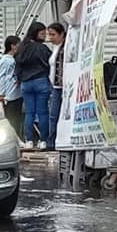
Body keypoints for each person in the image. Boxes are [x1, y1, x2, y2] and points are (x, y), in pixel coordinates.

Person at [15, 22, 52, 151]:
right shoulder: (42, 48)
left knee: (29, 113)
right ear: (36, 33)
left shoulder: (22, 48)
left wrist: (19, 79)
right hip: (41, 81)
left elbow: (17, 66)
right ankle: (43, 140)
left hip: (26, 84)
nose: (44, 36)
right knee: (42, 112)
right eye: (42, 33)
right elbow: (49, 63)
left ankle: (29, 140)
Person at [0, 35, 23, 138]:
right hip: (10, 93)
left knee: (17, 116)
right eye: (18, 45)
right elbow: (1, 76)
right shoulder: (6, 60)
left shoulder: (14, 59)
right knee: (12, 117)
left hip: (16, 92)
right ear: (12, 46)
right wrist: (1, 93)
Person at [47, 22, 66, 150]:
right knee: (53, 115)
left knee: (56, 114)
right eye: (49, 34)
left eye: (53, 34)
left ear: (61, 34)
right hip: (54, 86)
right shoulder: (55, 48)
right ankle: (52, 141)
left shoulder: (65, 48)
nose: (50, 37)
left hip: (62, 86)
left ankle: (53, 142)